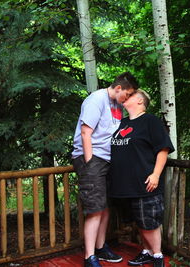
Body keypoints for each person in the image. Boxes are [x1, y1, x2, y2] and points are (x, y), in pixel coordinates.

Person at [72, 72, 139, 267]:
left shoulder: (117, 105)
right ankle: (89, 257)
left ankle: (101, 248)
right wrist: (90, 161)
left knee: (104, 207)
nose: (128, 98)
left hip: (109, 160)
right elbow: (86, 132)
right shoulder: (96, 100)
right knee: (94, 210)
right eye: (128, 94)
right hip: (93, 159)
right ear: (119, 88)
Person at [108, 89, 175, 267]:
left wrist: (155, 174)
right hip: (124, 185)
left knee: (149, 223)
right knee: (140, 221)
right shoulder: (121, 123)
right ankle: (146, 252)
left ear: (139, 101)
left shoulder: (150, 121)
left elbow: (163, 149)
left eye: (129, 96)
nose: (124, 98)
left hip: (145, 182)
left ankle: (158, 257)